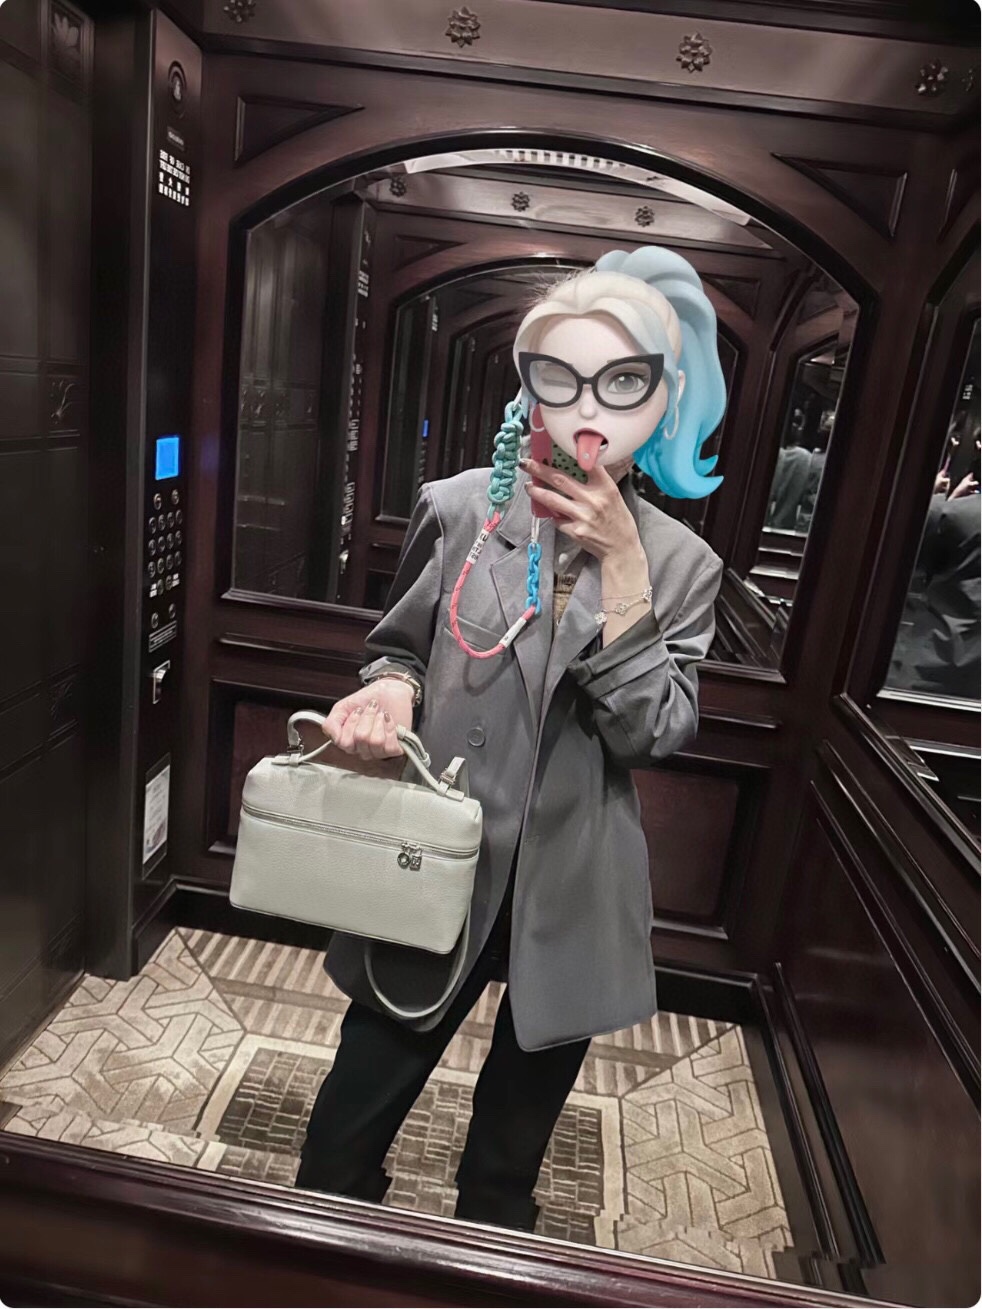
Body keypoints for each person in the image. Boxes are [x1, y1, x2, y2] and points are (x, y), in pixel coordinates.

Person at [294, 247, 727, 1231]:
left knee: (503, 1175)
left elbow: (653, 731)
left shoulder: (682, 564)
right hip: (437, 859)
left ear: (664, 400)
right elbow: (397, 648)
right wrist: (392, 691)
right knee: (342, 1136)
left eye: (624, 383)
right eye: (561, 377)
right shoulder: (459, 509)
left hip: (572, 881)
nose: (589, 408)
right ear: (529, 384)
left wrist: (622, 568)